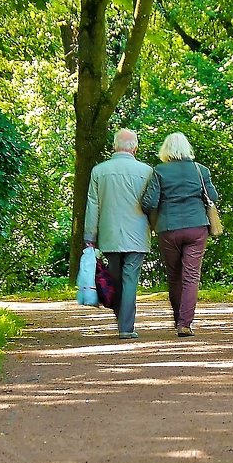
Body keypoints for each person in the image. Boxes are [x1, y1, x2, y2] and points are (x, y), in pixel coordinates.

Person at [141, 132, 220, 337]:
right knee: (191, 276)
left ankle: (179, 319)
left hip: (169, 228)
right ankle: (185, 323)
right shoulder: (200, 170)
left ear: (166, 150)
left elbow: (149, 202)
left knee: (174, 275)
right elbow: (212, 196)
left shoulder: (160, 171)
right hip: (197, 227)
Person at [85, 128, 152, 339]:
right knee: (130, 278)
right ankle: (126, 327)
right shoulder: (147, 171)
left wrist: (89, 236)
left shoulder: (99, 171)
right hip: (138, 234)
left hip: (110, 233)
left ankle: (121, 321)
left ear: (114, 146)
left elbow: (92, 205)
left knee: (115, 277)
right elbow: (153, 204)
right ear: (135, 147)